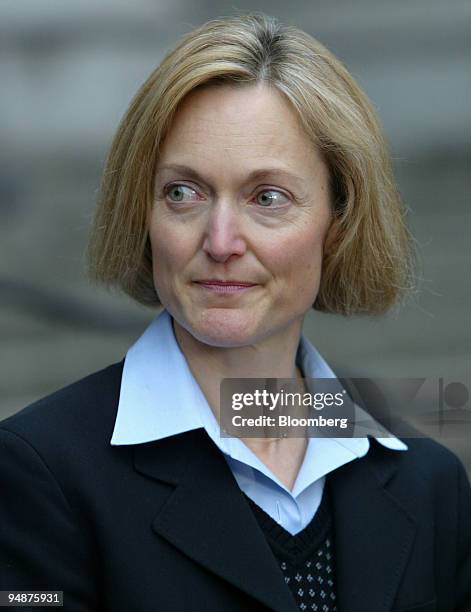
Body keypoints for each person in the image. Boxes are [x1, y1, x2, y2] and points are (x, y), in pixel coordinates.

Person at [0, 12, 470, 612]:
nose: (220, 241)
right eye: (183, 192)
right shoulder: (38, 473)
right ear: (143, 214)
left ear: (339, 222)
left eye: (267, 197)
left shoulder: (430, 486)